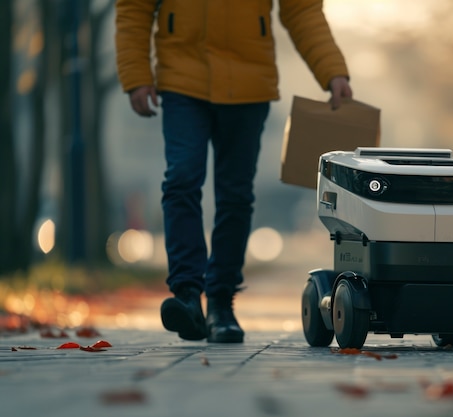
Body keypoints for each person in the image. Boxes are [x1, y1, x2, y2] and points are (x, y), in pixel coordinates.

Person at [115, 0, 352, 343]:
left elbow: (301, 10)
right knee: (181, 179)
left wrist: (333, 71)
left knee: (235, 195)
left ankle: (221, 304)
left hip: (248, 83)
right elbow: (134, 8)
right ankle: (187, 296)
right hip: (183, 79)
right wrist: (136, 76)